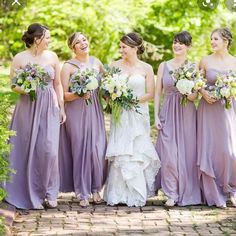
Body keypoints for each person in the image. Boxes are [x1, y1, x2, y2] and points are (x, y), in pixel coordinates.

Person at [4, 23, 66, 209]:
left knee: (49, 149)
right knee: (27, 148)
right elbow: (13, 85)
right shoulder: (19, 58)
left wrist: (61, 107)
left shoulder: (52, 56)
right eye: (47, 37)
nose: (49, 40)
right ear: (37, 39)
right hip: (28, 106)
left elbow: (58, 85)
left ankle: (50, 191)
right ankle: (32, 193)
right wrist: (27, 88)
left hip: (49, 106)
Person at [104, 32, 160, 207]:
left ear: (135, 48)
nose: (121, 50)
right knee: (121, 148)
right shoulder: (114, 66)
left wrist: (132, 100)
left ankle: (136, 192)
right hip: (120, 114)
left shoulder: (146, 68)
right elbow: (106, 91)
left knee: (136, 149)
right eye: (120, 47)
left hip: (137, 113)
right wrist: (113, 98)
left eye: (124, 47)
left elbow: (150, 93)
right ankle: (118, 193)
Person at [59, 32, 107, 207]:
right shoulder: (68, 67)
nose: (83, 44)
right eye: (78, 42)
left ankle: (96, 189)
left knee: (98, 149)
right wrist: (79, 94)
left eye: (84, 40)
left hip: (95, 110)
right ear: (72, 48)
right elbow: (63, 94)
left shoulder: (97, 62)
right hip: (76, 112)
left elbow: (106, 85)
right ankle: (83, 192)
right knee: (81, 150)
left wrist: (111, 93)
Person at [155, 31, 202, 207]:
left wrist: (187, 91)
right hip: (168, 111)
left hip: (187, 111)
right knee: (168, 153)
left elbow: (194, 97)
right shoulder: (163, 66)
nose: (176, 45)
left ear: (188, 46)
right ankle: (171, 193)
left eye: (181, 43)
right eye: (175, 42)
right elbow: (158, 93)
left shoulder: (193, 66)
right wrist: (156, 116)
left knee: (187, 153)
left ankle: (187, 190)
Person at [197, 27, 236, 208]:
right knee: (210, 150)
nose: (212, 42)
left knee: (230, 151)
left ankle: (231, 189)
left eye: (216, 39)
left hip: (228, 110)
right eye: (211, 39)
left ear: (226, 42)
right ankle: (213, 192)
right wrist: (203, 92)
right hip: (209, 109)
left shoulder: (235, 62)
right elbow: (196, 83)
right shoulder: (205, 61)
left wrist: (231, 92)